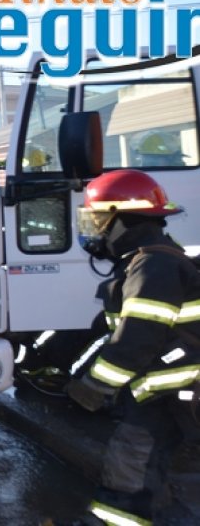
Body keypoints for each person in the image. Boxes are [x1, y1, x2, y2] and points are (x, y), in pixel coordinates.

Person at [61, 169, 200, 525]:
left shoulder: (153, 266)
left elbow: (137, 339)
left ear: (121, 220)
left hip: (168, 393)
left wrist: (94, 387)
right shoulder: (153, 259)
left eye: (97, 220)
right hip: (167, 390)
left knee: (131, 466)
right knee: (150, 471)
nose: (93, 230)